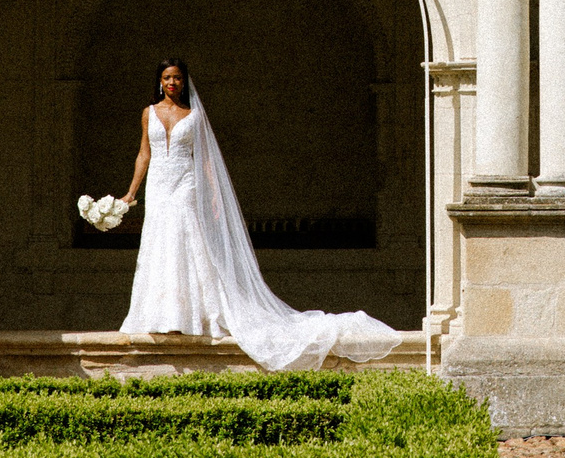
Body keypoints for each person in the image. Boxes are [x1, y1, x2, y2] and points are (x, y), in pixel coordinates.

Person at [98, 58, 401, 372]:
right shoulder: (149, 113)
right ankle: (159, 314)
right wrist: (131, 193)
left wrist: (212, 194)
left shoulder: (194, 115)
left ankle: (190, 317)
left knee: (185, 239)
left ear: (184, 81)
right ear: (160, 82)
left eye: (176, 77)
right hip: (159, 186)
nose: (172, 83)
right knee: (159, 242)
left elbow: (205, 160)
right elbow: (144, 153)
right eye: (166, 78)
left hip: (186, 184)